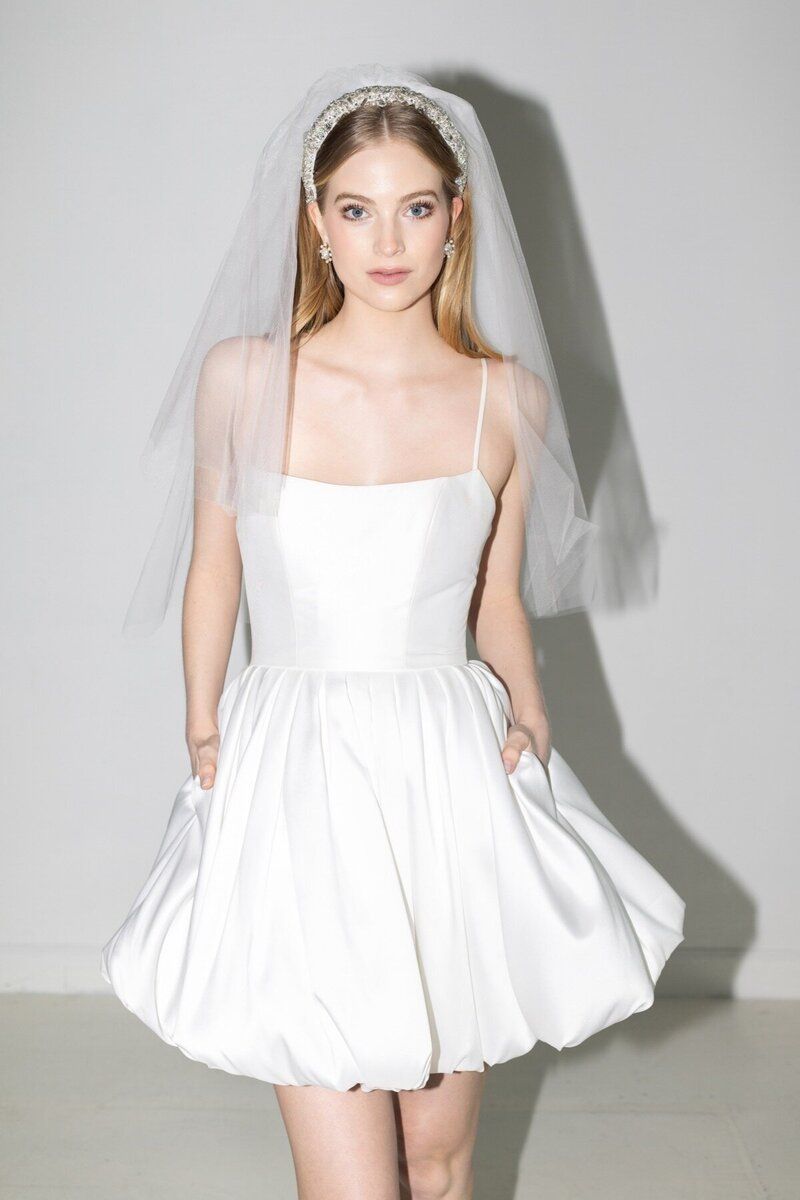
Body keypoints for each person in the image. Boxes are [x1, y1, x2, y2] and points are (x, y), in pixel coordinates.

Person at [101, 65, 685, 1199]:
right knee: (353, 1181)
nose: (386, 240)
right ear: (316, 222)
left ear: (455, 217)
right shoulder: (244, 379)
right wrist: (203, 723)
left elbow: (495, 597)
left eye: (414, 207)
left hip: (444, 770)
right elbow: (213, 564)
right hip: (298, 768)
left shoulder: (505, 398)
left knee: (436, 1157)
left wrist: (529, 712)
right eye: (356, 209)